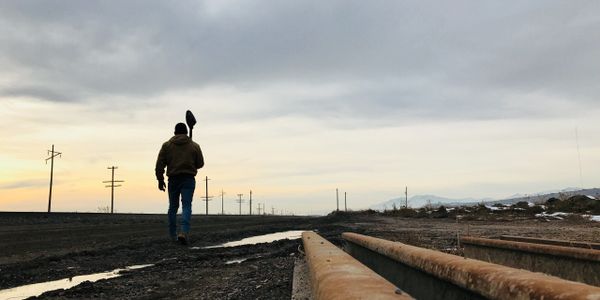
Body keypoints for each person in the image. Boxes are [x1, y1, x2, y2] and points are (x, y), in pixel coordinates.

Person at [155, 123, 204, 245]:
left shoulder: (166, 146)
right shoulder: (194, 146)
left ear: (174, 132)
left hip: (173, 179)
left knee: (173, 207)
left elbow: (159, 164)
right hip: (188, 179)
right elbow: (200, 163)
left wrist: (160, 180)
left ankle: (173, 235)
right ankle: (184, 232)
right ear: (187, 132)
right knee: (186, 206)